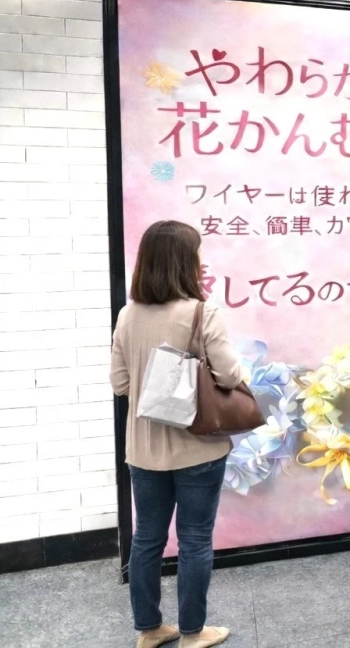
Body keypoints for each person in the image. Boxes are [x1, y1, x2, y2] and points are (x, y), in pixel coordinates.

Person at [110, 221, 242, 648]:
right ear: (187, 263)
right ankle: (192, 633)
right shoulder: (203, 313)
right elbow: (229, 374)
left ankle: (149, 630)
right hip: (197, 446)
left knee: (146, 538)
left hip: (143, 450)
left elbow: (120, 383)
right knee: (195, 538)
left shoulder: (128, 315)